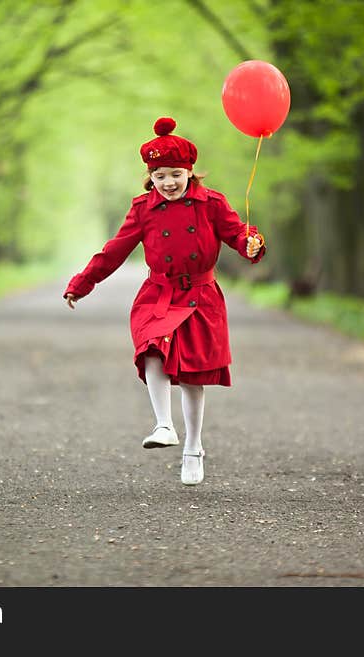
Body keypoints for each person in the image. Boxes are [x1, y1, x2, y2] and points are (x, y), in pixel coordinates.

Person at [64, 117, 265, 485]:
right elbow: (115, 250)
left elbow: (238, 235)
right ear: (150, 177)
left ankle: (193, 447)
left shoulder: (212, 204)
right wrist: (83, 281)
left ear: (190, 172)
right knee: (151, 348)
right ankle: (164, 425)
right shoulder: (143, 209)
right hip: (159, 293)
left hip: (201, 297)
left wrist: (252, 243)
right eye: (160, 176)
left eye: (175, 173)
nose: (168, 183)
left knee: (192, 376)